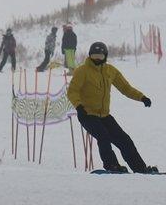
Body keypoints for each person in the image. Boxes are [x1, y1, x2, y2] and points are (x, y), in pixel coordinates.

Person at [67, 41, 156, 173]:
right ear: (90, 55)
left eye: (100, 56)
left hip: (104, 115)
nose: (97, 59)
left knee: (124, 140)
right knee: (103, 136)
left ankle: (140, 168)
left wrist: (141, 97)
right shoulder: (82, 71)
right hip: (87, 114)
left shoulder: (110, 71)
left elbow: (125, 88)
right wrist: (79, 107)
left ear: (105, 57)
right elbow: (72, 91)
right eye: (94, 56)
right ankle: (111, 165)